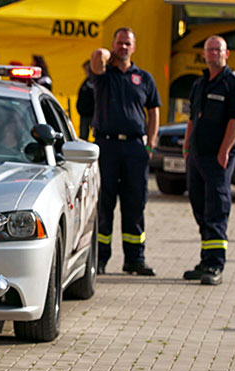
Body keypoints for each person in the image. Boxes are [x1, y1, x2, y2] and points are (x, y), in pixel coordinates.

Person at [91, 27, 160, 276]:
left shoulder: (144, 78)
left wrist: (150, 143)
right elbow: (97, 57)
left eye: (127, 43)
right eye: (119, 43)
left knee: (135, 205)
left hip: (134, 148)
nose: (123, 47)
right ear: (113, 45)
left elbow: (153, 111)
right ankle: (98, 259)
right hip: (107, 146)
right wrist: (107, 54)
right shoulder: (102, 74)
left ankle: (135, 259)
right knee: (104, 205)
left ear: (134, 47)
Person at [181, 35, 235, 285]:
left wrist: (224, 150)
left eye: (217, 50)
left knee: (216, 209)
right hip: (197, 155)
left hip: (217, 158)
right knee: (200, 207)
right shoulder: (200, 83)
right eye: (209, 49)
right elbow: (192, 119)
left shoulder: (233, 84)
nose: (213, 53)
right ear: (204, 54)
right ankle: (205, 260)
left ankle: (215, 265)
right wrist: (187, 146)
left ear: (226, 54)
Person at [77, 60, 95, 140]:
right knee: (83, 137)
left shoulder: (96, 81)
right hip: (84, 114)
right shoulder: (86, 82)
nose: (86, 72)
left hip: (93, 115)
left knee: (97, 135)